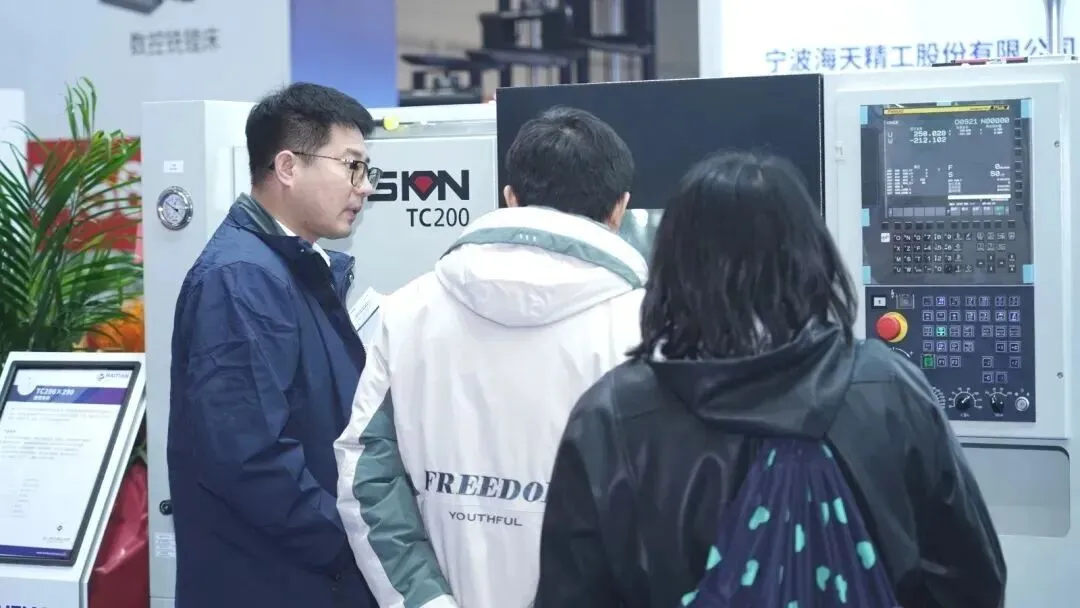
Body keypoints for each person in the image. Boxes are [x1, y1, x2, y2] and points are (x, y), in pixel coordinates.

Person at [533, 151, 1006, 607]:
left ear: (672, 263)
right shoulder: (888, 390)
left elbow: (572, 594)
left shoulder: (614, 418)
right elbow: (970, 580)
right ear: (812, 254)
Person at [334, 106, 646, 608]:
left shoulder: (409, 310)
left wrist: (425, 600)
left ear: (510, 197)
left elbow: (367, 477)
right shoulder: (646, 329)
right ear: (619, 209)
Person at [168, 82, 381, 608]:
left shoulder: (287, 269)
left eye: (365, 170)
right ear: (287, 166)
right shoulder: (241, 278)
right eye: (351, 166)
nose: (364, 187)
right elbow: (249, 458)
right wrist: (354, 545)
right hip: (274, 581)